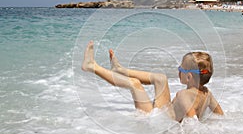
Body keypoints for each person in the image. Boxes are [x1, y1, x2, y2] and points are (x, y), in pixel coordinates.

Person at [82, 41, 223, 122]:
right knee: (160, 78)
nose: (178, 69)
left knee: (134, 84)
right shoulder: (207, 93)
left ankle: (92, 66)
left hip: (156, 120)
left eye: (181, 68)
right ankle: (119, 69)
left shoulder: (183, 95)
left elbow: (192, 122)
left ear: (189, 77)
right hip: (165, 111)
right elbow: (220, 116)